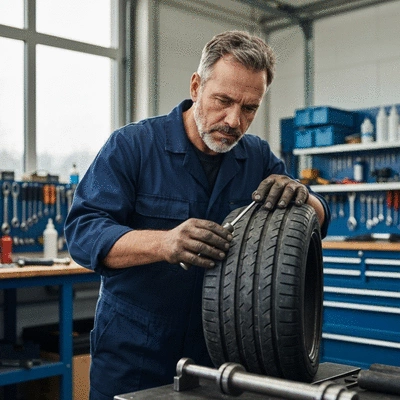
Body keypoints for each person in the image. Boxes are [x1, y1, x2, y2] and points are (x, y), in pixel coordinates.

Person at [65, 30, 330, 400]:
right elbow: (83, 233)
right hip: (135, 351)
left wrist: (306, 199)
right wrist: (165, 242)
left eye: (249, 108)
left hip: (219, 355)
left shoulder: (256, 157)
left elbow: (315, 221)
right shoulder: (133, 146)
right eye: (223, 100)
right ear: (196, 86)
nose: (234, 120)